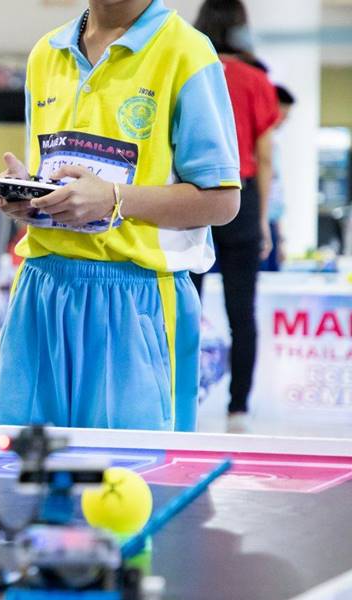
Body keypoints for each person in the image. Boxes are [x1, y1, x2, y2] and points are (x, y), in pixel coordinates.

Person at [0, 0, 241, 431]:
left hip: (137, 299)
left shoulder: (187, 51)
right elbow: (55, 169)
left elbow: (221, 201)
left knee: (131, 469)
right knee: (23, 465)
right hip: (41, 290)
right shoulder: (47, 51)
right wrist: (28, 193)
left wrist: (116, 198)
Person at [192, 0, 281, 432]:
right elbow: (265, 158)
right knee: (241, 312)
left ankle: (179, 396)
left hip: (190, 197)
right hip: (241, 198)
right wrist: (263, 219)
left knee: (183, 308)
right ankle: (238, 409)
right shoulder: (256, 80)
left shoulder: (191, 71)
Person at [261, 85, 296, 271]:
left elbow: (274, 193)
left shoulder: (273, 147)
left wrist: (280, 239)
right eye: (283, 114)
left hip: (270, 224)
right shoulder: (255, 147)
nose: (284, 120)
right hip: (257, 224)